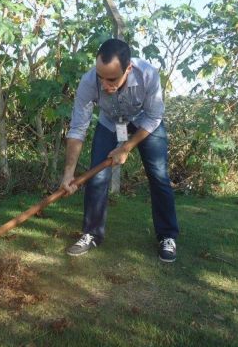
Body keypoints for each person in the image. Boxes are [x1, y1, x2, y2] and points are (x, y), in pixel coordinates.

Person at [60, 38, 179, 262]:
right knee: (96, 176)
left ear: (128, 68)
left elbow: (154, 117)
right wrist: (69, 172)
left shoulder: (148, 75)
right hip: (110, 123)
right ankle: (91, 234)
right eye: (100, 77)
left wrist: (126, 147)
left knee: (159, 176)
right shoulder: (88, 81)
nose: (104, 85)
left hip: (145, 123)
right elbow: (78, 128)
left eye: (112, 79)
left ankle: (167, 236)